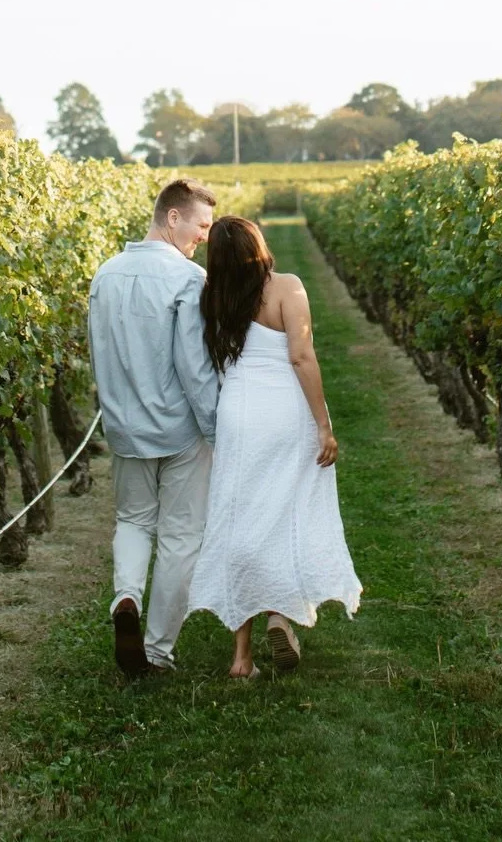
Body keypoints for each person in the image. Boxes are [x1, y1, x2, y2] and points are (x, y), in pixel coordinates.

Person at [186, 216, 361, 677]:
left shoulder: (213, 296)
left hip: (238, 411)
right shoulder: (286, 286)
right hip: (284, 408)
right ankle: (280, 614)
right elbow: (301, 356)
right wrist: (323, 425)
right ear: (258, 244)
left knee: (238, 515)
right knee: (287, 511)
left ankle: (241, 657)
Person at [87, 177, 218, 676]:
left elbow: (100, 354)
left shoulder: (105, 274)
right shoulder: (188, 279)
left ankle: (126, 598)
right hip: (179, 427)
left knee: (133, 521)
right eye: (200, 225)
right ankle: (159, 650)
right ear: (173, 218)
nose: (204, 237)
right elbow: (194, 367)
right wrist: (214, 430)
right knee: (182, 534)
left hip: (125, 425)